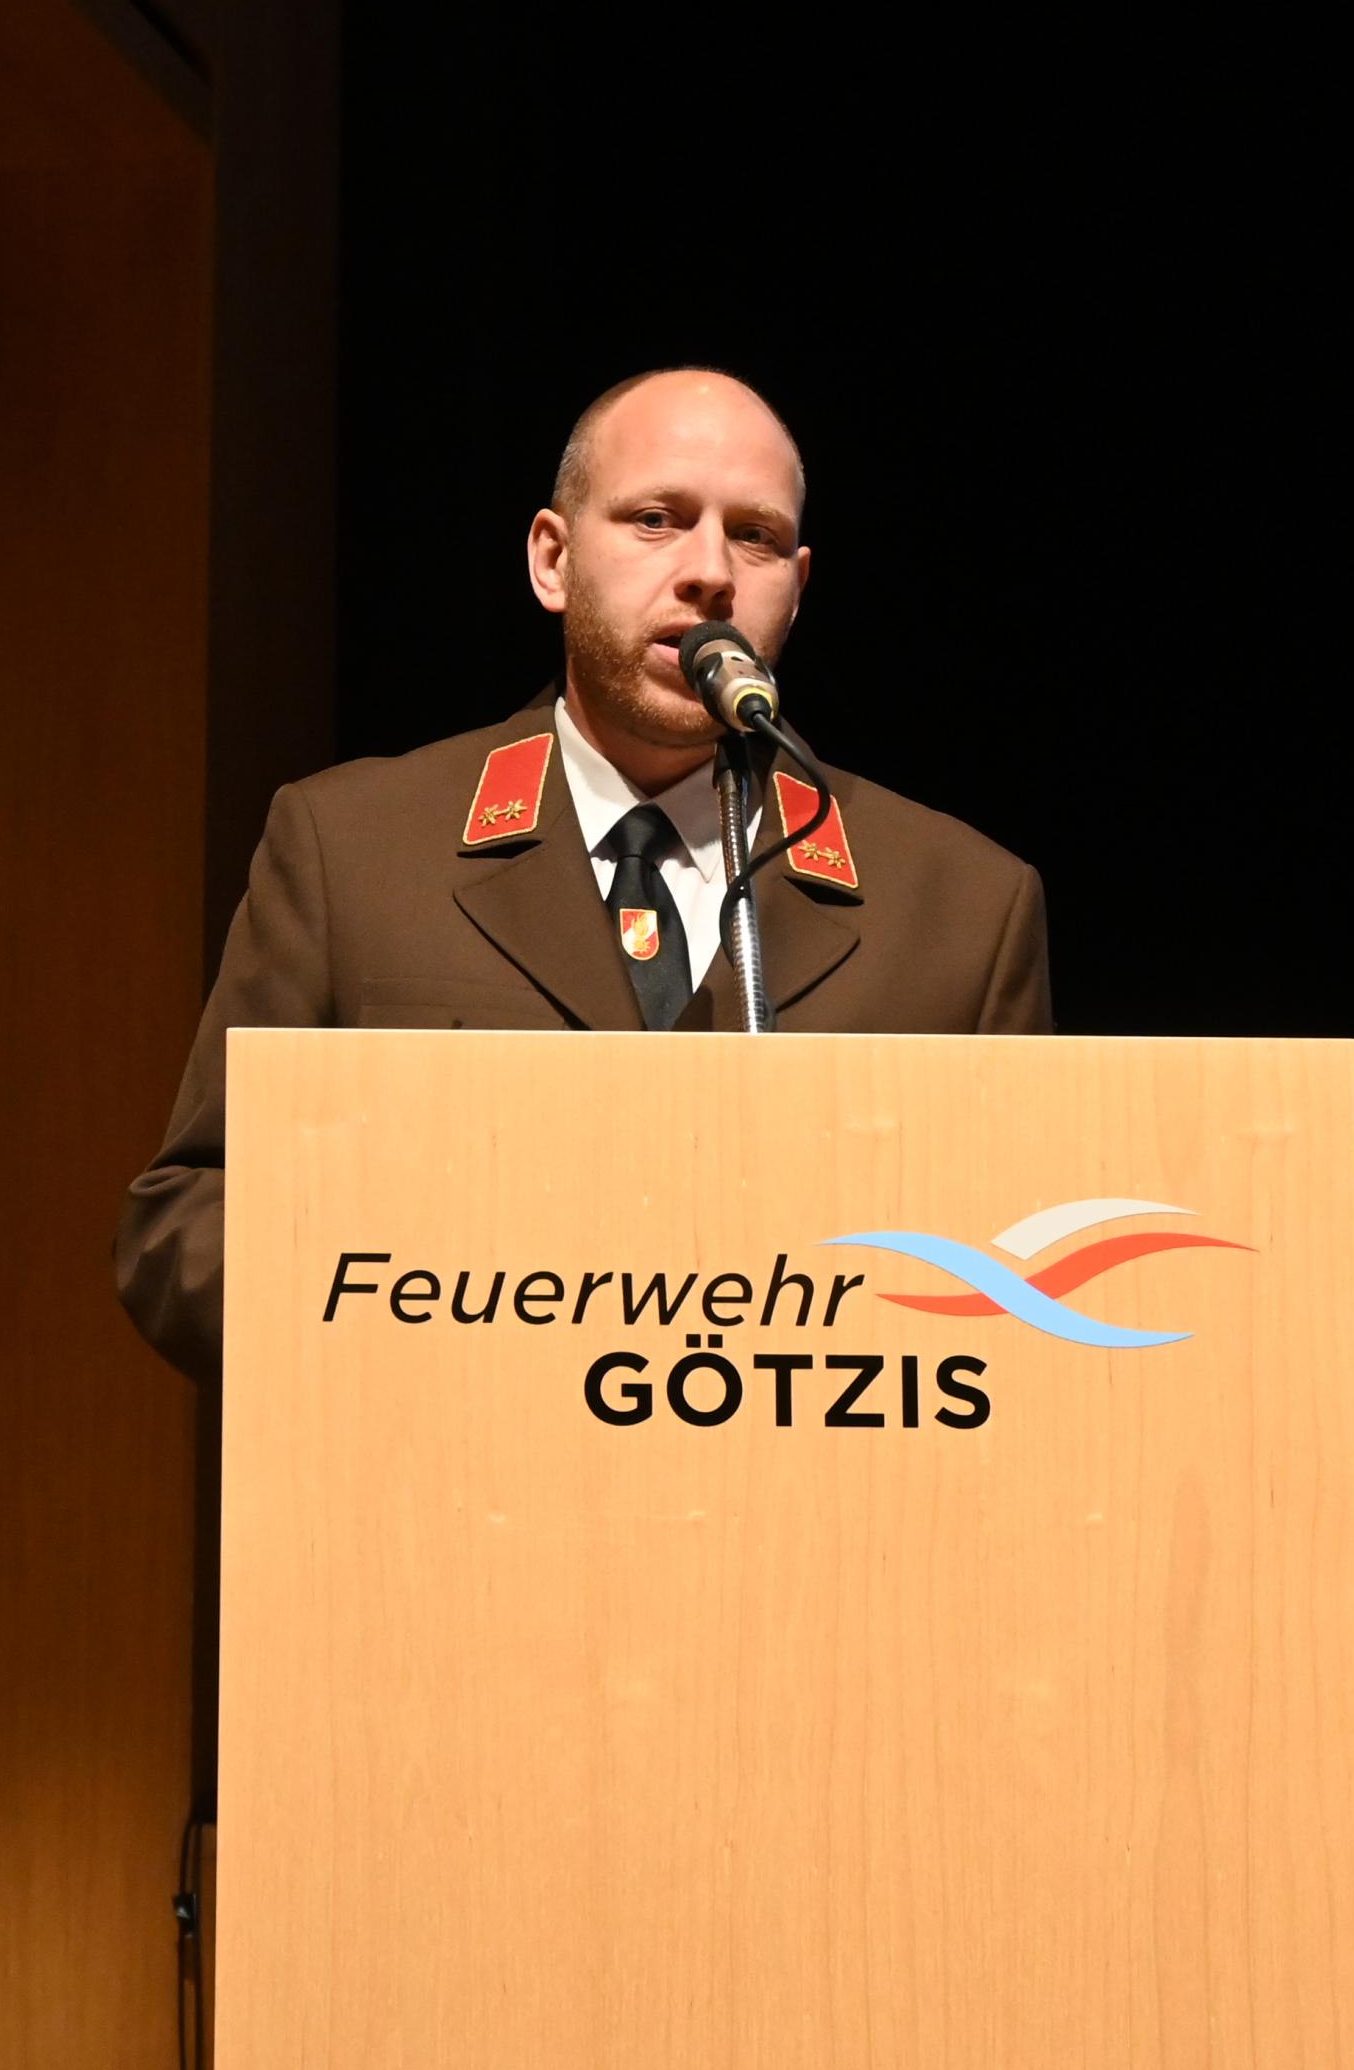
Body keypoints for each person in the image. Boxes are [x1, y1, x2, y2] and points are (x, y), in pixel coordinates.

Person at [112, 367, 1053, 1379]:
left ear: (798, 585)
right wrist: (427, 1333)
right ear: (552, 560)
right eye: (656, 519)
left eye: (755, 536)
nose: (709, 572)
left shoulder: (959, 906)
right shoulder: (355, 849)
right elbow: (187, 1228)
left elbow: (1022, 1290)